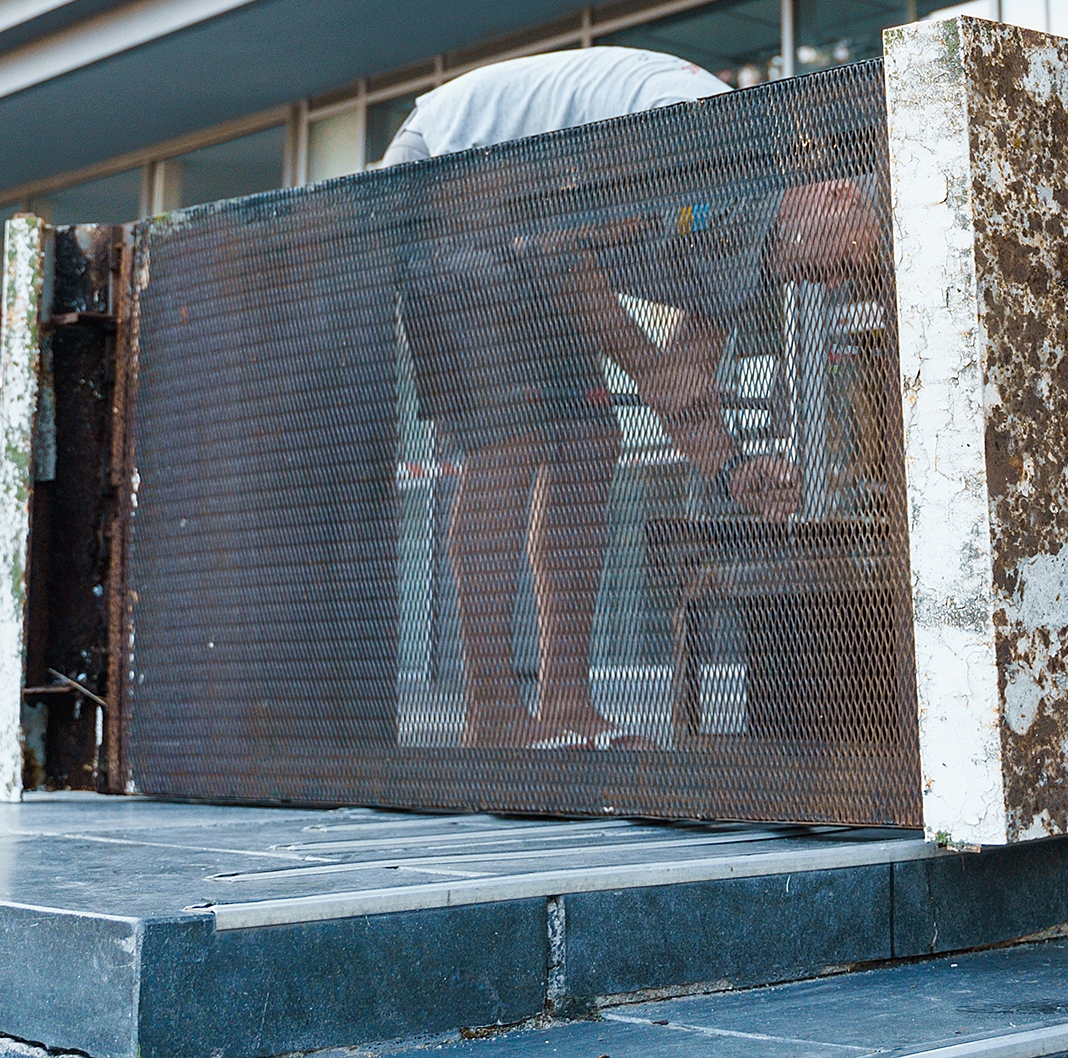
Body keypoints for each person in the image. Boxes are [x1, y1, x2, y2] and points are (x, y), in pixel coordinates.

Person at [380, 47, 887, 749]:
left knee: (591, 443)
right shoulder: (709, 139)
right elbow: (557, 242)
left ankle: (565, 709)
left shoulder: (753, 264)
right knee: (512, 441)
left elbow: (683, 388)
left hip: (528, 240)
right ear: (838, 197)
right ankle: (493, 716)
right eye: (855, 258)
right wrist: (649, 368)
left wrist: (735, 473)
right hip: (454, 172)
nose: (835, 286)